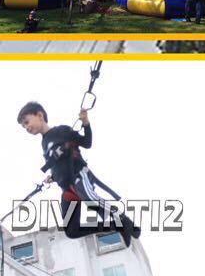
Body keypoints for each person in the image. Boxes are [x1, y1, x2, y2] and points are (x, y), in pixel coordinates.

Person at [17, 102, 140, 247]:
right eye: (23, 126)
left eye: (27, 122)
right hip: (67, 188)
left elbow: (87, 142)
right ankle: (118, 226)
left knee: (91, 200)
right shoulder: (44, 143)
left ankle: (125, 221)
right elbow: (59, 164)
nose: (26, 128)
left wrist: (86, 123)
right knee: (72, 230)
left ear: (39, 115)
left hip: (79, 176)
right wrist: (53, 177)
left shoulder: (62, 131)